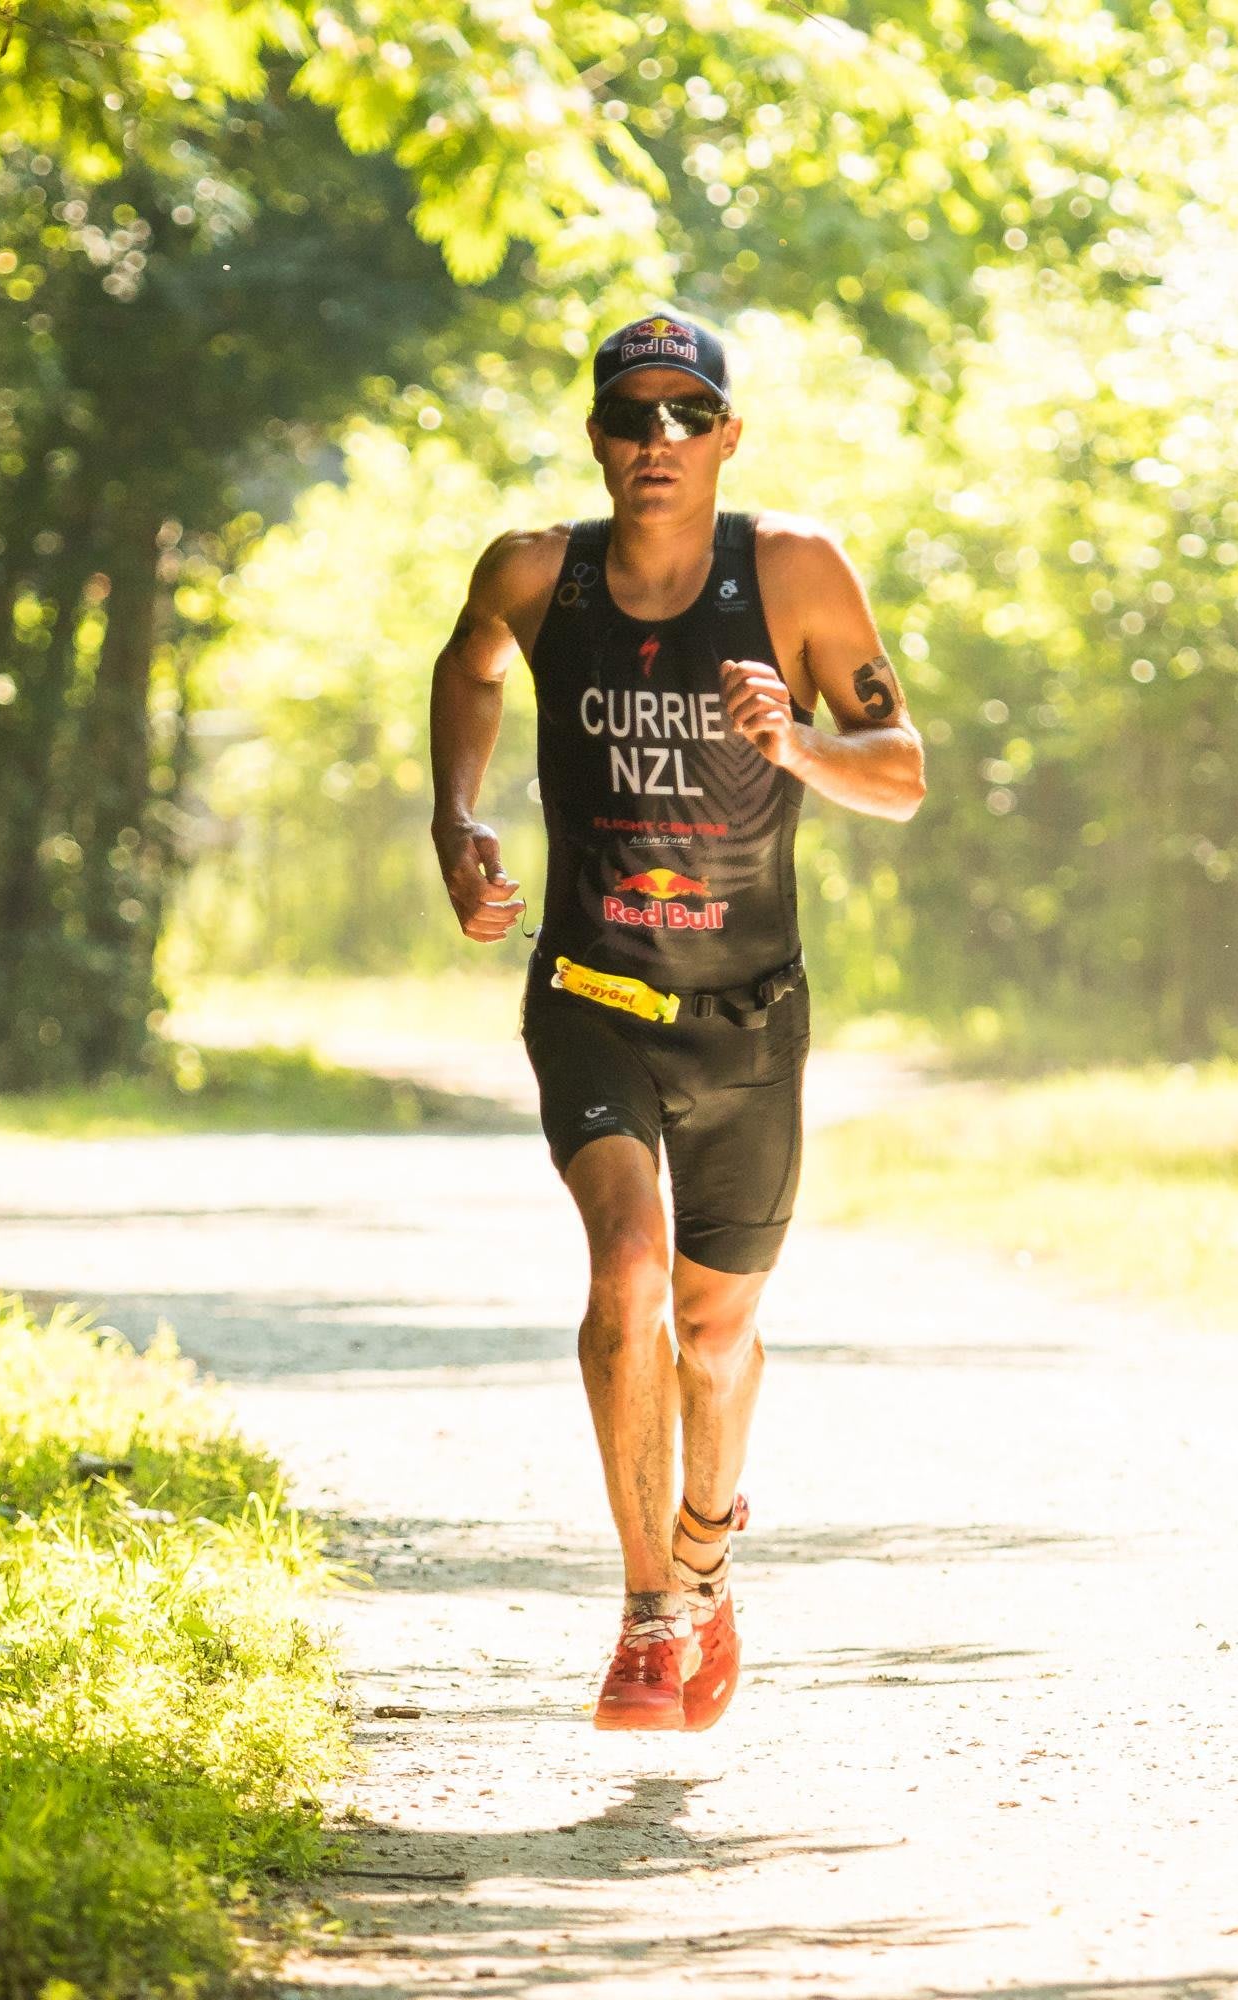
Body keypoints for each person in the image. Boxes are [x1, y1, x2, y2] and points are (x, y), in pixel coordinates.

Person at [426, 311, 927, 1731]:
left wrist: (797, 744)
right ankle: (652, 1610)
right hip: (591, 995)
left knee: (713, 1333)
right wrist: (455, 821)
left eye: (685, 414)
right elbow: (469, 666)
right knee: (627, 1270)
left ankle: (707, 1545)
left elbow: (901, 772)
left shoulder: (794, 570)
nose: (657, 439)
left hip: (748, 1015)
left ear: (725, 435)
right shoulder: (537, 573)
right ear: (595, 435)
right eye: (631, 414)